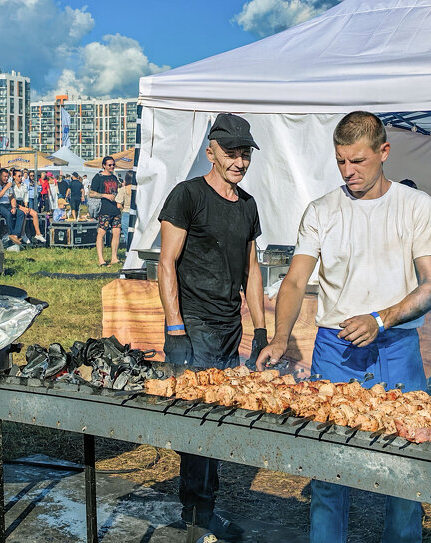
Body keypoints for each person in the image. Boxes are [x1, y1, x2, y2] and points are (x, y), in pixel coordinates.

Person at [257, 111, 431, 543]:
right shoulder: (322, 210)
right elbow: (294, 280)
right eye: (341, 161)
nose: (349, 172)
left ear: (384, 152)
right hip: (335, 349)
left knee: (405, 462)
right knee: (328, 466)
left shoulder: (414, 205)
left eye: (358, 161)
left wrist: (381, 318)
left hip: (396, 347)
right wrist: (280, 337)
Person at [158, 113, 267, 543]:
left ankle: (202, 511)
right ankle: (198, 517)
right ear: (211, 152)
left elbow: (252, 270)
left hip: (228, 329)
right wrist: (175, 330)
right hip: (194, 327)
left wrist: (260, 331)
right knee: (199, 424)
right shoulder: (187, 196)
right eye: (231, 153)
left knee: (217, 420)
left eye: (244, 154)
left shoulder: (248, 205)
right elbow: (166, 263)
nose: (239, 161)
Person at [90, 157, 121, 266]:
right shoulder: (98, 177)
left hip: (115, 209)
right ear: (104, 165)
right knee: (101, 233)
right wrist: (105, 195)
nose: (112, 167)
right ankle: (101, 260)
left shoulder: (114, 177)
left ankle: (114, 257)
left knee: (116, 232)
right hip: (104, 209)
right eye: (109, 165)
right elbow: (91, 193)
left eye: (113, 164)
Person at [0, 168, 25, 246]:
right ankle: (10, 233)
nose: (6, 178)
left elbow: (12, 198)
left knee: (21, 213)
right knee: (8, 213)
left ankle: (15, 235)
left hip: (7, 204)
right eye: (4, 177)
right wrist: (6, 187)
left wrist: (14, 207)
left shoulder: (8, 185)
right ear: (0, 176)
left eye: (7, 177)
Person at [11, 169, 47, 244]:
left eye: (21, 175)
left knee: (34, 213)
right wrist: (23, 207)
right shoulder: (12, 185)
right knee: (24, 213)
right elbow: (12, 199)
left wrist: (26, 206)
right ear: (14, 177)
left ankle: (38, 234)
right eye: (19, 176)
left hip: (23, 203)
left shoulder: (24, 185)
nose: (21, 177)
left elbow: (26, 197)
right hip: (15, 204)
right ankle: (23, 234)